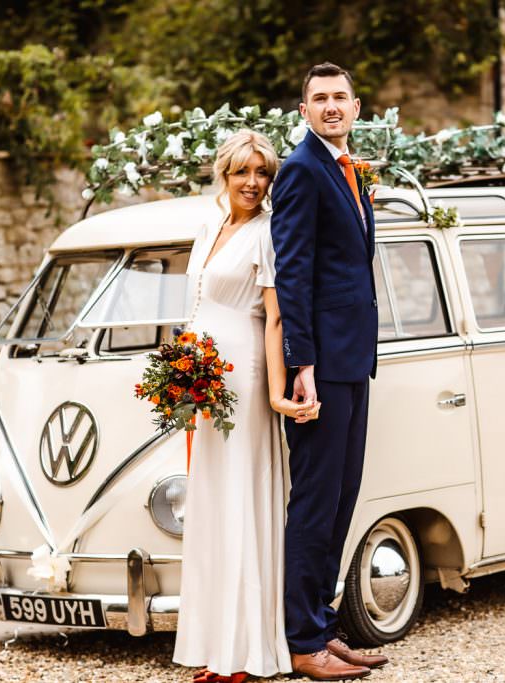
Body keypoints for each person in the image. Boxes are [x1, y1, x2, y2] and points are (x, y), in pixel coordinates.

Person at [173, 130, 319, 683]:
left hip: (245, 374)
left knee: (242, 503)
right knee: (211, 505)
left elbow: (275, 319)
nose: (253, 183)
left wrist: (280, 392)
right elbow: (196, 304)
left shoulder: (266, 234)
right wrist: (182, 368)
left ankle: (247, 652)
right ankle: (216, 647)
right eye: (243, 173)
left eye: (262, 173)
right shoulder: (210, 226)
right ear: (224, 175)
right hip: (204, 376)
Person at [270, 62, 388, 680]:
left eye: (340, 97)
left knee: (344, 494)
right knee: (316, 501)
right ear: (304, 111)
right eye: (320, 98)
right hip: (323, 365)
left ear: (357, 106)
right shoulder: (300, 171)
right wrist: (303, 364)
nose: (331, 106)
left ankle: (323, 621)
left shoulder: (346, 169)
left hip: (354, 358)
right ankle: (302, 641)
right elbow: (293, 274)